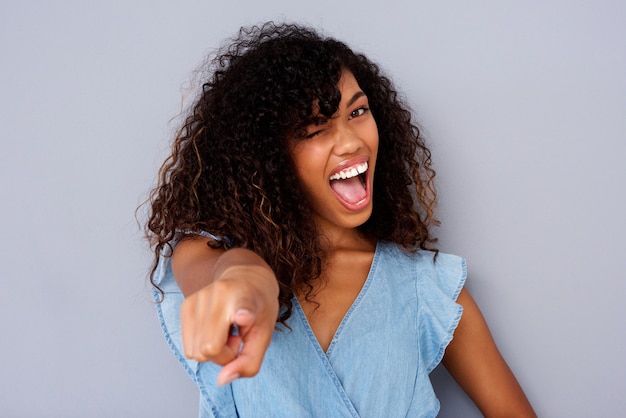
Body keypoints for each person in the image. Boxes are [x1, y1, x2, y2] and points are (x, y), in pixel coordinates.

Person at [145, 22, 536, 417]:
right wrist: (244, 284)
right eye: (315, 129)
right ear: (267, 156)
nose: (352, 141)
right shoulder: (208, 253)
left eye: (358, 111)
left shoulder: (427, 287)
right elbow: (225, 272)